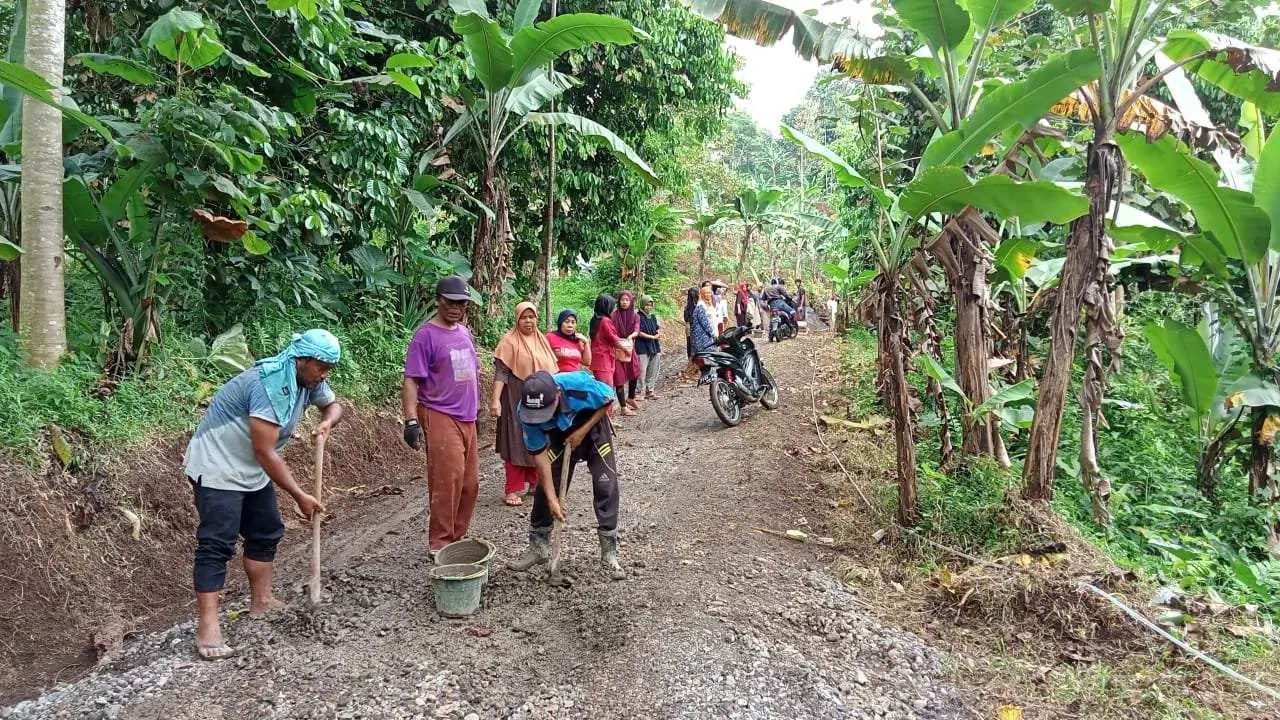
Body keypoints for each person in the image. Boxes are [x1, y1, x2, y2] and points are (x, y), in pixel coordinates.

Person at [183, 329, 342, 660]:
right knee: (217, 543)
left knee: (266, 530)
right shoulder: (268, 385)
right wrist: (299, 495)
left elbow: (333, 405)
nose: (325, 374)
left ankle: (262, 600)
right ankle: (208, 626)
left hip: (250, 470)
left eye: (330, 368)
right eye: (322, 367)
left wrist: (327, 421)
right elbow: (265, 451)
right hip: (217, 467)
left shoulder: (308, 380)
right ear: (303, 360)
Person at [508, 370, 624, 582]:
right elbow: (539, 457)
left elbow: (608, 400)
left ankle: (609, 553)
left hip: (593, 430)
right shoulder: (526, 412)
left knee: (606, 484)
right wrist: (553, 500)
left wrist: (582, 432)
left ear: (558, 394)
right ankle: (539, 548)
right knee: (545, 487)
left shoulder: (578, 385)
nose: (539, 418)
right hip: (559, 439)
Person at [401, 275, 480, 554]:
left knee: (470, 485)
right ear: (438, 300)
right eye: (451, 302)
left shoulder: (463, 332)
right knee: (448, 481)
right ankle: (441, 543)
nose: (457, 308)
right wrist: (411, 420)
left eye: (462, 303)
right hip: (440, 414)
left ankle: (457, 539)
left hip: (467, 417)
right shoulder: (425, 336)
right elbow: (411, 379)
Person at [492, 301, 560, 506]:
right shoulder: (509, 341)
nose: (528, 321)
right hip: (516, 396)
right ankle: (512, 489)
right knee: (516, 439)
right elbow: (501, 373)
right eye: (524, 317)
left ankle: (535, 482)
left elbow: (553, 371)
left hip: (541, 398)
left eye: (532, 317)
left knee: (539, 437)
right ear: (517, 319)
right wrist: (495, 400)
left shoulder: (542, 340)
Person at [590, 294, 635, 417]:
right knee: (607, 392)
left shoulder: (595, 319)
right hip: (604, 359)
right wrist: (626, 349)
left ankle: (605, 419)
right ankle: (606, 419)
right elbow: (613, 339)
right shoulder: (605, 321)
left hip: (598, 359)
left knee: (603, 390)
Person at [611, 290, 642, 411]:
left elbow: (637, 329)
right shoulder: (614, 315)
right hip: (617, 349)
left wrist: (631, 336)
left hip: (629, 348)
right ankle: (623, 407)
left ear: (631, 301)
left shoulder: (635, 315)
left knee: (634, 372)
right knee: (619, 377)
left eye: (627, 300)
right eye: (622, 300)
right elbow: (611, 331)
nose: (624, 302)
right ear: (618, 301)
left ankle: (631, 397)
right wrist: (618, 340)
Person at [546, 309, 592, 373]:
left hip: (575, 377)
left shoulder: (577, 340)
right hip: (557, 377)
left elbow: (587, 362)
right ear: (560, 323)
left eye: (573, 322)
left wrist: (586, 343)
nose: (570, 325)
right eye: (567, 322)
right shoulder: (550, 337)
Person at [635, 295, 662, 400]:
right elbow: (638, 332)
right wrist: (651, 336)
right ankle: (638, 392)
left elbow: (657, 328)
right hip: (642, 346)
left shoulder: (653, 317)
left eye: (650, 305)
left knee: (653, 368)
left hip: (654, 345)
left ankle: (650, 390)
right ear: (642, 304)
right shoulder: (637, 317)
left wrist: (657, 334)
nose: (648, 307)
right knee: (641, 370)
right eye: (646, 305)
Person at [690, 284, 717, 354]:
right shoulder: (701, 306)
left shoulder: (707, 304)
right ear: (702, 294)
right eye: (706, 293)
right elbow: (705, 323)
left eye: (709, 292)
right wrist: (712, 334)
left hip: (707, 335)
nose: (709, 294)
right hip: (702, 337)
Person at [683, 287, 699, 360]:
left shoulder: (699, 305)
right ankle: (691, 360)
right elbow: (686, 319)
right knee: (690, 344)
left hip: (694, 327)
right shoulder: (688, 307)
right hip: (690, 327)